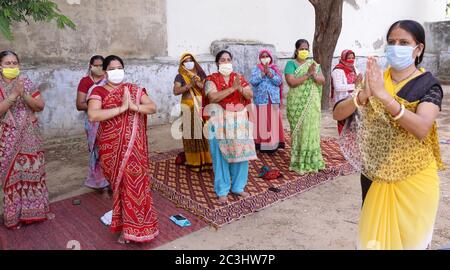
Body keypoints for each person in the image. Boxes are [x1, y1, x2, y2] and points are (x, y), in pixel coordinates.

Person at [334, 20, 444, 250]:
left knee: (409, 241)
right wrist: (360, 98)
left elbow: (422, 127)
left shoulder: (429, 86)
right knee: (373, 242)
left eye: (404, 42)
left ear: (418, 49)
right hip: (376, 174)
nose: (396, 47)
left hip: (414, 179)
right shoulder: (374, 79)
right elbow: (337, 113)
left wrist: (385, 97)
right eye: (392, 42)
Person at [87, 55, 159, 244]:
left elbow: (152, 107)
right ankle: (125, 227)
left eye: (119, 68)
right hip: (111, 149)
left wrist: (133, 106)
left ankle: (139, 228)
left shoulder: (133, 90)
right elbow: (93, 115)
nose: (116, 72)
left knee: (135, 186)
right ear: (104, 71)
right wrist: (122, 108)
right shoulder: (99, 91)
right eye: (111, 69)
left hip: (135, 148)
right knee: (120, 187)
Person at [0, 50, 53, 229]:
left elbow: (40, 106)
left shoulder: (26, 82)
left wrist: (24, 94)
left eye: (15, 63)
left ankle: (35, 212)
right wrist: (14, 95)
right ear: (0, 66)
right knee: (11, 177)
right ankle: (13, 217)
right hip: (6, 140)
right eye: (8, 63)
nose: (12, 66)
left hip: (30, 138)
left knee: (33, 173)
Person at [203, 50, 257, 204]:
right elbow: (213, 97)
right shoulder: (211, 80)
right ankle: (222, 190)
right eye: (222, 60)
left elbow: (249, 95)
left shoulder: (238, 78)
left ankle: (238, 187)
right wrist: (233, 89)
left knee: (241, 154)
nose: (226, 62)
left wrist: (239, 88)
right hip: (219, 120)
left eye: (228, 59)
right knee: (220, 156)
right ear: (217, 63)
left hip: (239, 121)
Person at [284, 39, 325, 174]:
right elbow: (292, 82)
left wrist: (313, 74)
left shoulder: (313, 64)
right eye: (302, 48)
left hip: (312, 104)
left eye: (306, 48)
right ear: (296, 50)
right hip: (297, 104)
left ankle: (313, 161)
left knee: (311, 131)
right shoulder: (290, 64)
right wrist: (308, 74)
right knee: (300, 132)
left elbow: (322, 80)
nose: (304, 51)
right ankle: (299, 162)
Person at [173, 53, 212, 172]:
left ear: (194, 62)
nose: (189, 62)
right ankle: (193, 161)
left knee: (204, 133)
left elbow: (206, 89)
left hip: (201, 105)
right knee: (191, 134)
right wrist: (190, 84)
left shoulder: (200, 74)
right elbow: (176, 91)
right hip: (188, 107)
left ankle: (207, 161)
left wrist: (197, 82)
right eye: (186, 61)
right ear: (182, 64)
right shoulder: (180, 76)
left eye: (191, 60)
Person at [76, 55, 109, 190]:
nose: (99, 68)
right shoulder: (85, 82)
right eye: (96, 65)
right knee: (97, 151)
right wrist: (97, 105)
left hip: (109, 120)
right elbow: (79, 104)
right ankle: (99, 181)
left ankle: (111, 179)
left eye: (102, 65)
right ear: (90, 66)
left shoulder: (109, 80)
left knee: (109, 149)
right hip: (93, 122)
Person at [249, 49, 285, 153]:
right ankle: (261, 144)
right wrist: (262, 73)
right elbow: (253, 81)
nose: (265, 58)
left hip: (273, 99)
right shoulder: (256, 69)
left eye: (266, 56)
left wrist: (269, 73)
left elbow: (279, 82)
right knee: (262, 121)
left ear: (270, 57)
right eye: (263, 56)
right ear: (260, 59)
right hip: (261, 99)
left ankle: (275, 144)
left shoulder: (274, 69)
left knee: (274, 121)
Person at [331, 50, 363, 135]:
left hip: (354, 101)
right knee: (344, 128)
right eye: (349, 58)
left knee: (354, 129)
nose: (351, 60)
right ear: (343, 58)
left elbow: (360, 81)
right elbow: (338, 87)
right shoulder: (337, 71)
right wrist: (354, 85)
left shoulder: (355, 69)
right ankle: (343, 147)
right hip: (343, 102)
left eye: (353, 58)